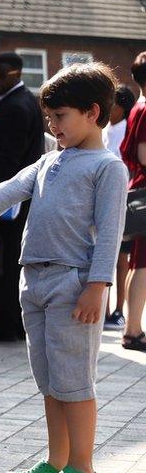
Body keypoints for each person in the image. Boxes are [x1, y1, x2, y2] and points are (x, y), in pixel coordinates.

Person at [0, 62, 126, 473]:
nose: (52, 126)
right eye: (49, 119)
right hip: (34, 281)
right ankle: (56, 461)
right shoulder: (49, 160)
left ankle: (83, 469)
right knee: (50, 380)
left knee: (75, 380)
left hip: (73, 285)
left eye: (59, 118)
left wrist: (98, 287)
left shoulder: (107, 168)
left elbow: (111, 232)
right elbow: (9, 189)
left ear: (92, 113)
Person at [0, 52, 46, 341]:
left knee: (2, 261)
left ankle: (5, 323)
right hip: (12, 200)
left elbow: (5, 159)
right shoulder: (16, 102)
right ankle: (9, 321)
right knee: (6, 259)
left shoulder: (15, 106)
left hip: (7, 203)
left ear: (16, 73)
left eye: (2, 74)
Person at [103, 84, 137, 332]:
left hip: (123, 197)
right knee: (105, 254)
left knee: (122, 258)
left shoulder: (127, 128)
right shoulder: (106, 129)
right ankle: (104, 309)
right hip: (104, 197)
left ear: (122, 107)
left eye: (112, 104)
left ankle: (118, 310)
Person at [119, 53, 146, 351]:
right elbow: (144, 156)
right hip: (145, 188)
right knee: (143, 264)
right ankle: (134, 330)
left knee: (139, 261)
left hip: (138, 187)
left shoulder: (136, 108)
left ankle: (132, 327)